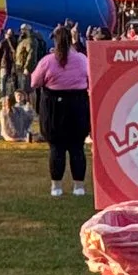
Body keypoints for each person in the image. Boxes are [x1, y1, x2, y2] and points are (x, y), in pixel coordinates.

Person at [31, 23, 92, 198]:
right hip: (78, 105)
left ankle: (56, 187)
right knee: (77, 148)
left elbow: (34, 82)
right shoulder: (82, 59)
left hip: (54, 108)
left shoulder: (47, 61)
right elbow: (91, 78)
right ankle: (78, 187)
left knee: (56, 148)